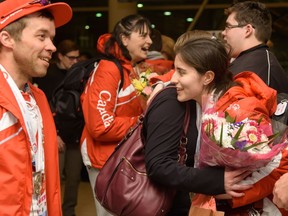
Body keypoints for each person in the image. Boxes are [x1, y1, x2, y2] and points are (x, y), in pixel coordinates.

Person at [170, 38, 288, 215]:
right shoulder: (201, 102)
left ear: (208, 77)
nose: (173, 79)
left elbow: (279, 161)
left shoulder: (239, 107)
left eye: (181, 72)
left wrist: (237, 190)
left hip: (259, 208)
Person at [0, 0, 72, 215]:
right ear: (7, 39)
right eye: (42, 36)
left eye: (51, 38)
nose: (52, 47)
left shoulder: (38, 97)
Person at [80, 14, 152, 216]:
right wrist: (141, 123)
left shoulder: (133, 68)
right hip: (104, 159)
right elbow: (100, 126)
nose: (150, 41)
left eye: (150, 36)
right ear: (124, 38)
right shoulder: (108, 69)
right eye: (143, 36)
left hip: (123, 156)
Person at [34, 39, 82, 216]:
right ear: (60, 56)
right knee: (54, 178)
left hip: (75, 136)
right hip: (56, 136)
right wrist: (54, 134)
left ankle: (69, 212)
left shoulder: (78, 75)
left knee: (74, 179)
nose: (75, 62)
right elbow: (42, 107)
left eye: (77, 58)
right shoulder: (47, 75)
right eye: (71, 58)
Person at [221, 1, 288, 93]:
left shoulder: (254, 70)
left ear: (247, 30)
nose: (223, 33)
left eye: (228, 26)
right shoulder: (256, 61)